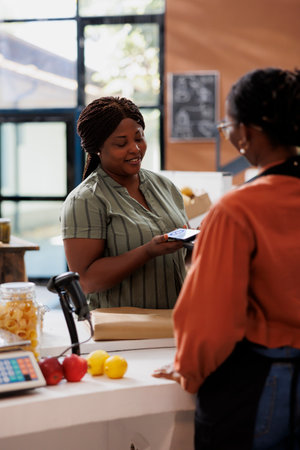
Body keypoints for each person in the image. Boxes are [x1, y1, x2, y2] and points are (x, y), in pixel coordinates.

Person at [153, 68, 300, 449]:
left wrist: (187, 368)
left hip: (263, 388)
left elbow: (212, 315)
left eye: (227, 124)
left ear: (247, 132)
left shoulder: (239, 208)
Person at [60, 96, 188, 310]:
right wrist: (147, 251)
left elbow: (180, 257)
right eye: (121, 143)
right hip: (120, 333)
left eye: (139, 139)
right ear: (97, 149)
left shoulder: (165, 186)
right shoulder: (85, 200)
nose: (135, 149)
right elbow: (86, 280)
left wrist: (196, 242)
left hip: (174, 322)